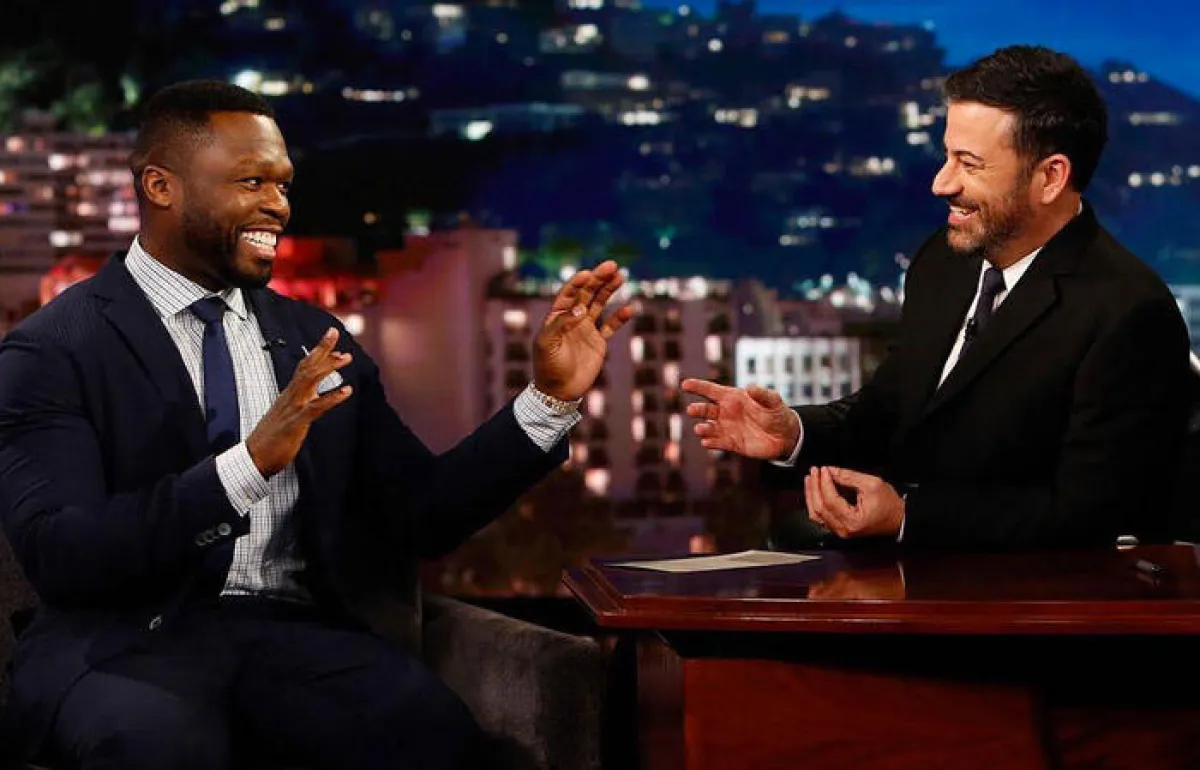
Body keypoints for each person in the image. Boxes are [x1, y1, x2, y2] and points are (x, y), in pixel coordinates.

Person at [0, 80, 632, 770]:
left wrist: (547, 400)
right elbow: (63, 553)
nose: (278, 205)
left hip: (288, 637)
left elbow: (421, 515)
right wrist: (248, 466)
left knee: (431, 733)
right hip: (120, 643)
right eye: (252, 182)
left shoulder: (314, 338)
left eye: (283, 185)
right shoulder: (53, 349)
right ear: (160, 187)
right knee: (160, 746)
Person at [682, 45, 1191, 550]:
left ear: (1050, 177)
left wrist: (908, 518)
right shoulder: (943, 262)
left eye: (969, 164)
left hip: (1031, 591)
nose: (941, 183)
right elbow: (887, 412)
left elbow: (1094, 517)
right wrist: (792, 433)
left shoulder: (1128, 311)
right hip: (915, 569)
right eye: (947, 156)